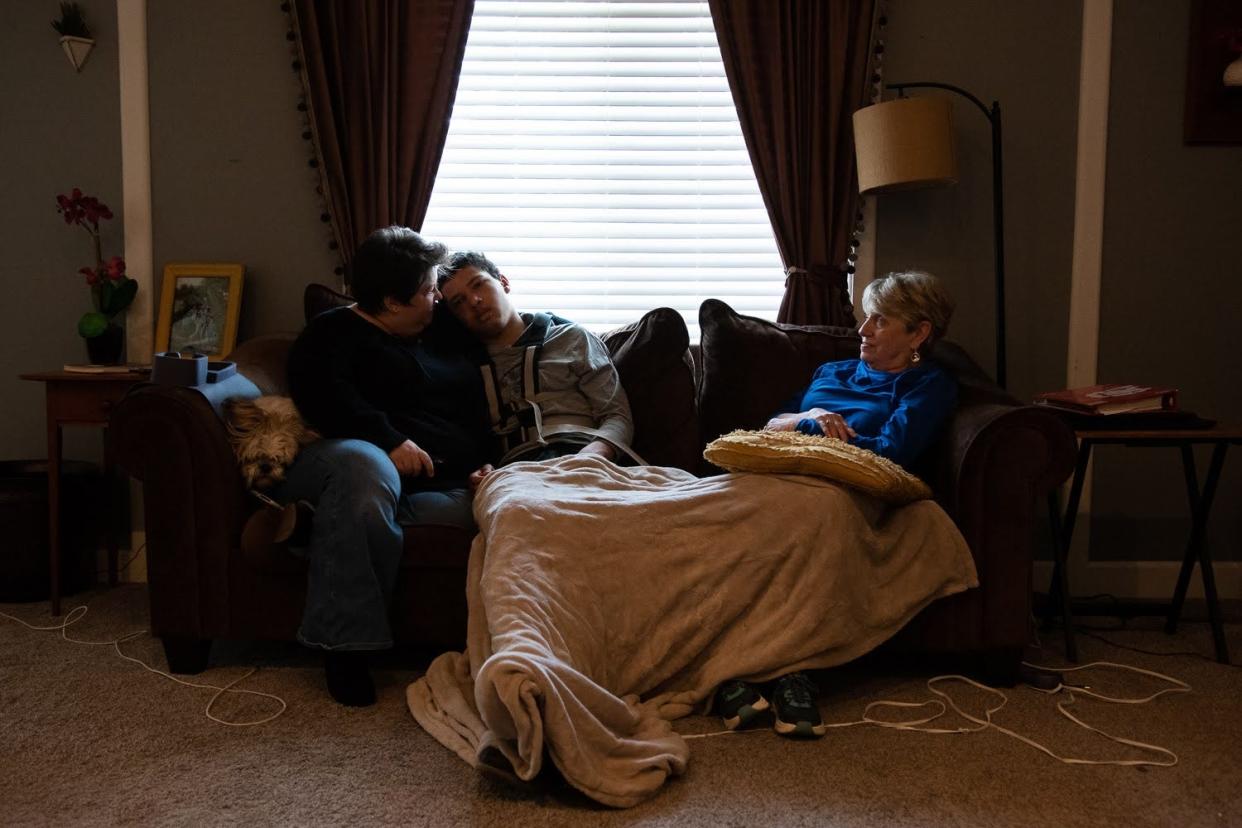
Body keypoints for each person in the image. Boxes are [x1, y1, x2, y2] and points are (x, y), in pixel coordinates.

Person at [715, 269, 958, 738]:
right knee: (727, 516)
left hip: (842, 489)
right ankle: (757, 671)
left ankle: (775, 671)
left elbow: (891, 452)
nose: (862, 330)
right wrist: (811, 414)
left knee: (811, 517)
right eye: (866, 319)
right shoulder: (831, 372)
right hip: (779, 476)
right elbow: (771, 424)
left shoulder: (926, 385)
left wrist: (806, 429)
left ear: (919, 333)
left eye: (880, 321)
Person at [281, 226, 494, 707]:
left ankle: (321, 525)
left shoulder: (442, 329)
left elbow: (474, 407)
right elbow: (322, 396)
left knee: (492, 510)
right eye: (426, 290)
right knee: (365, 471)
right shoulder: (331, 335)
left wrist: (485, 461)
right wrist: (388, 439)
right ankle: (345, 648)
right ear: (392, 303)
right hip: (350, 461)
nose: (436, 296)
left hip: (440, 485)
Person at [434, 251, 640, 489]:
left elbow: (618, 415)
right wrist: (481, 467)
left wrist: (594, 455)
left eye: (479, 285)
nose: (474, 301)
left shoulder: (572, 338)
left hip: (588, 460)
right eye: (459, 302)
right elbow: (466, 441)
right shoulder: (459, 369)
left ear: (503, 282)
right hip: (516, 476)